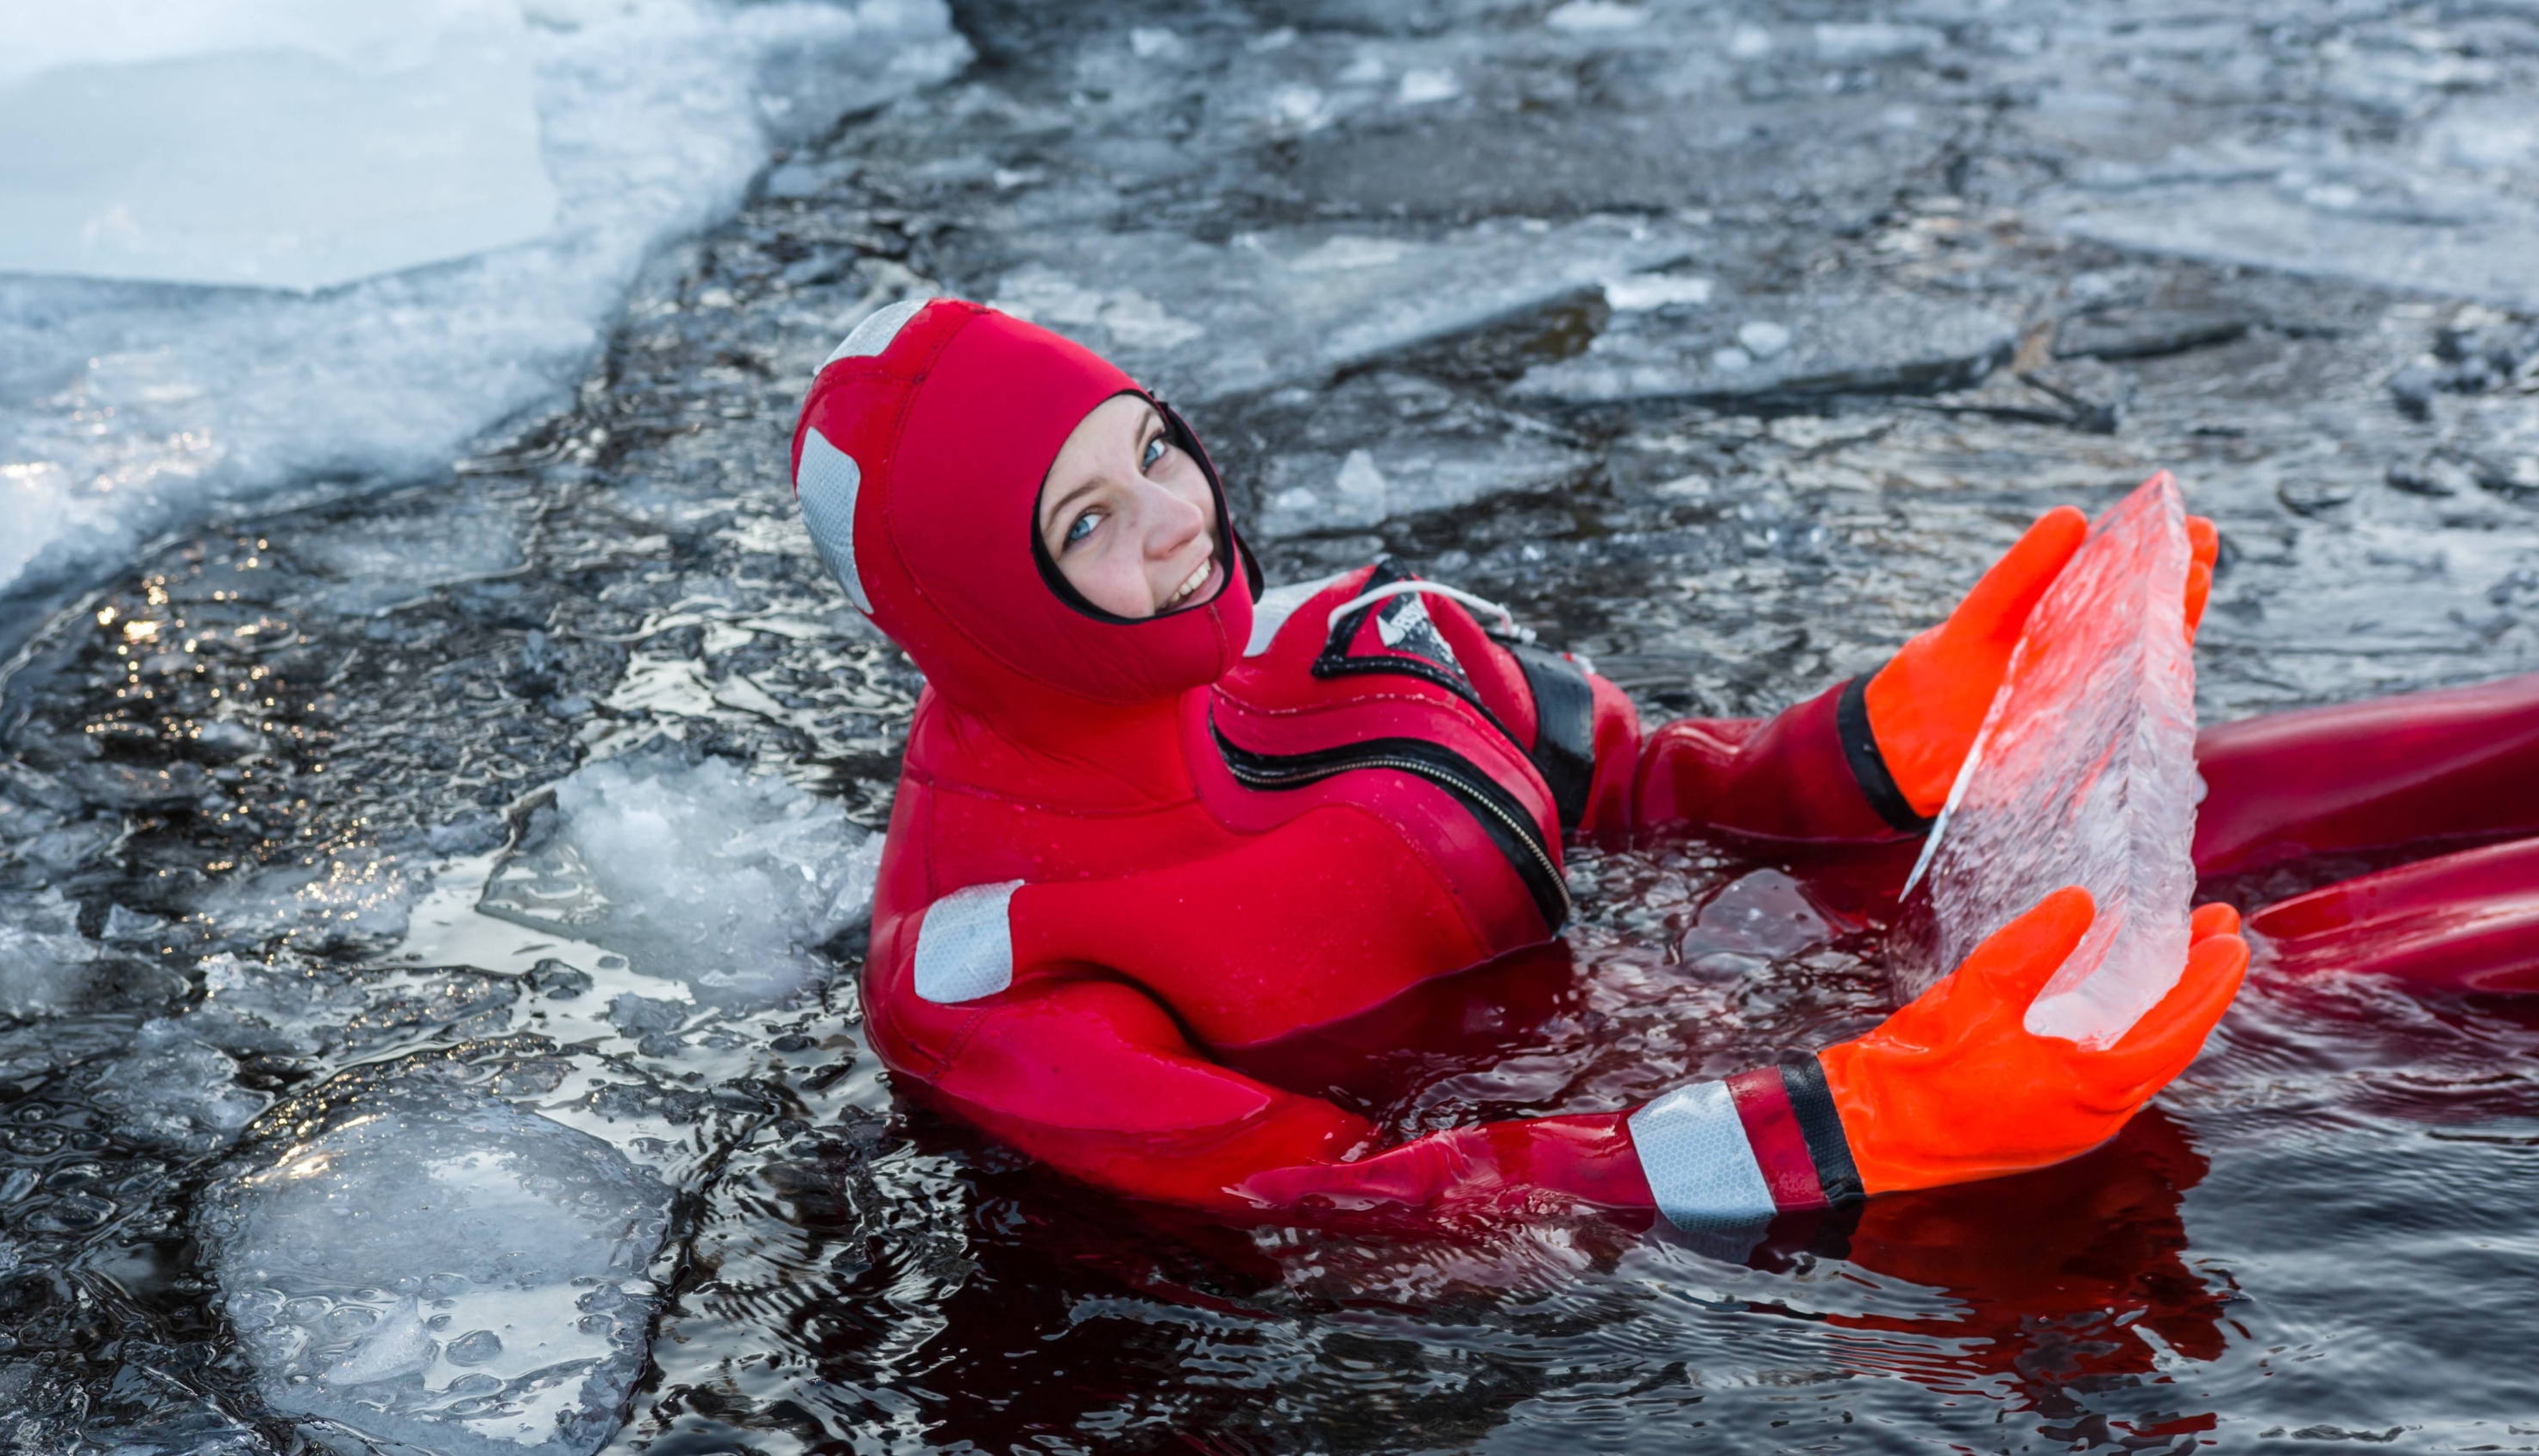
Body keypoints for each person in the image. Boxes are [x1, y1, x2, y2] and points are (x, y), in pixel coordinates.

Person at [786, 297, 2539, 1232]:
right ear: (972, 602)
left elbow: (1652, 781)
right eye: (1087, 519)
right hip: (1694, 1124)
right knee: (2217, 986)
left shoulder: (1355, 633)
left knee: (2109, 787)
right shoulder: (987, 963)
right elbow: (1315, 1199)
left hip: (1707, 977)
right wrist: (1841, 1131)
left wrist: (1882, 737)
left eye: (1153, 446)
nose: (1179, 519)